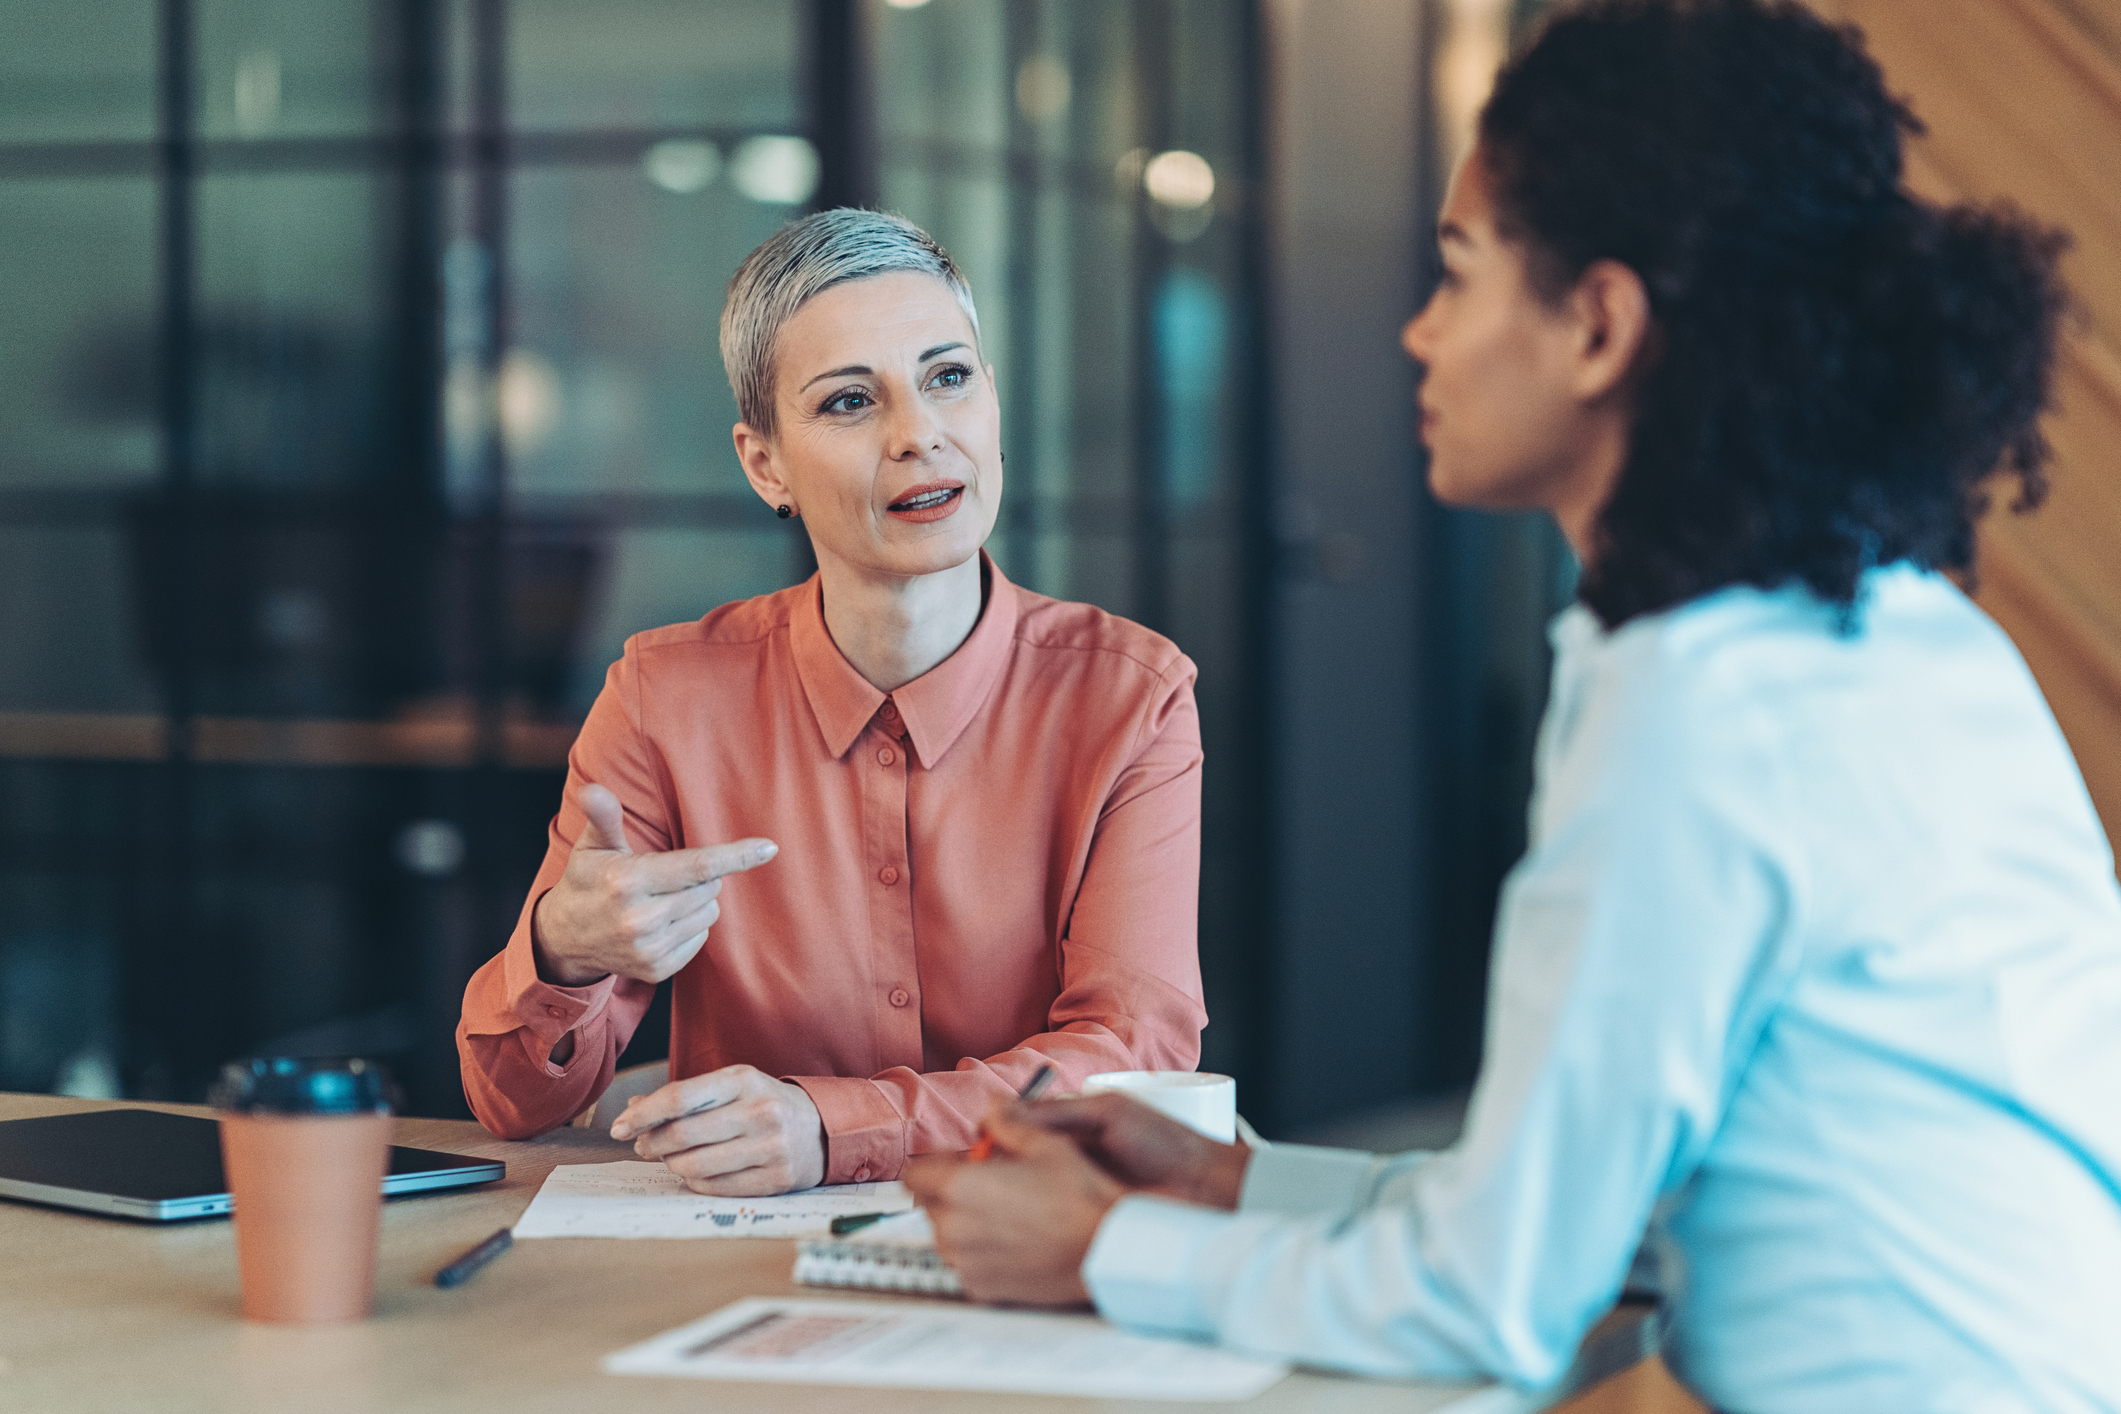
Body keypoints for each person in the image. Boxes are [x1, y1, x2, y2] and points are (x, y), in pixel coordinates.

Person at [905, 2, 2121, 1409]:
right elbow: (1589, 1197)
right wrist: (1242, 1185)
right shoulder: (1890, 633)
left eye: (1460, 274)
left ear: (1598, 324)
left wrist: (1110, 1248)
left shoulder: (1696, 715)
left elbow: (1491, 1301)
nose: (1419, 335)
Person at [457, 209, 1207, 1196]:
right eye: (851, 402)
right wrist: (563, 951)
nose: (919, 436)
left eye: (948, 377)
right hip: (726, 1270)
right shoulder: (661, 698)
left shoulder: (1130, 698)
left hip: (1034, 1237)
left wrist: (838, 1125)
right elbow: (516, 1105)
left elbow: (1133, 1060)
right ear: (765, 463)